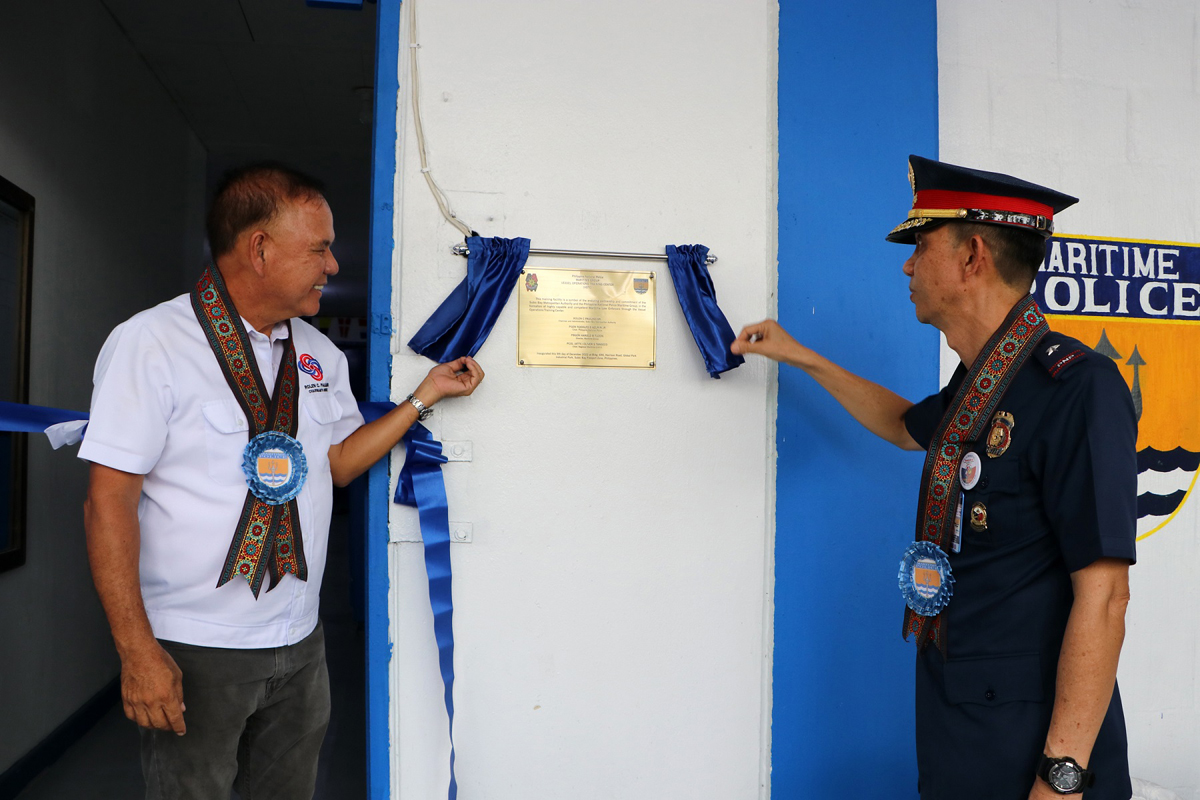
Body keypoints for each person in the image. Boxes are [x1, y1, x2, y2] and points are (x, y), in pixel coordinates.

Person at [733, 156, 1136, 799]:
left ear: (973, 256)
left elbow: (1106, 597)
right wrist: (798, 355)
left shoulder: (1075, 390)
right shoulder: (982, 386)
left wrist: (1061, 779)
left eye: (920, 246)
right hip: (958, 716)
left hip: (1035, 742)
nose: (907, 265)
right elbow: (904, 426)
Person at [80, 163, 483, 800]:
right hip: (195, 646)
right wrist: (137, 652)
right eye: (320, 248)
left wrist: (422, 398)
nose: (333, 266)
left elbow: (339, 464)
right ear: (259, 249)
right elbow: (108, 502)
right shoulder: (151, 343)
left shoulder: (318, 353)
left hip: (300, 638)